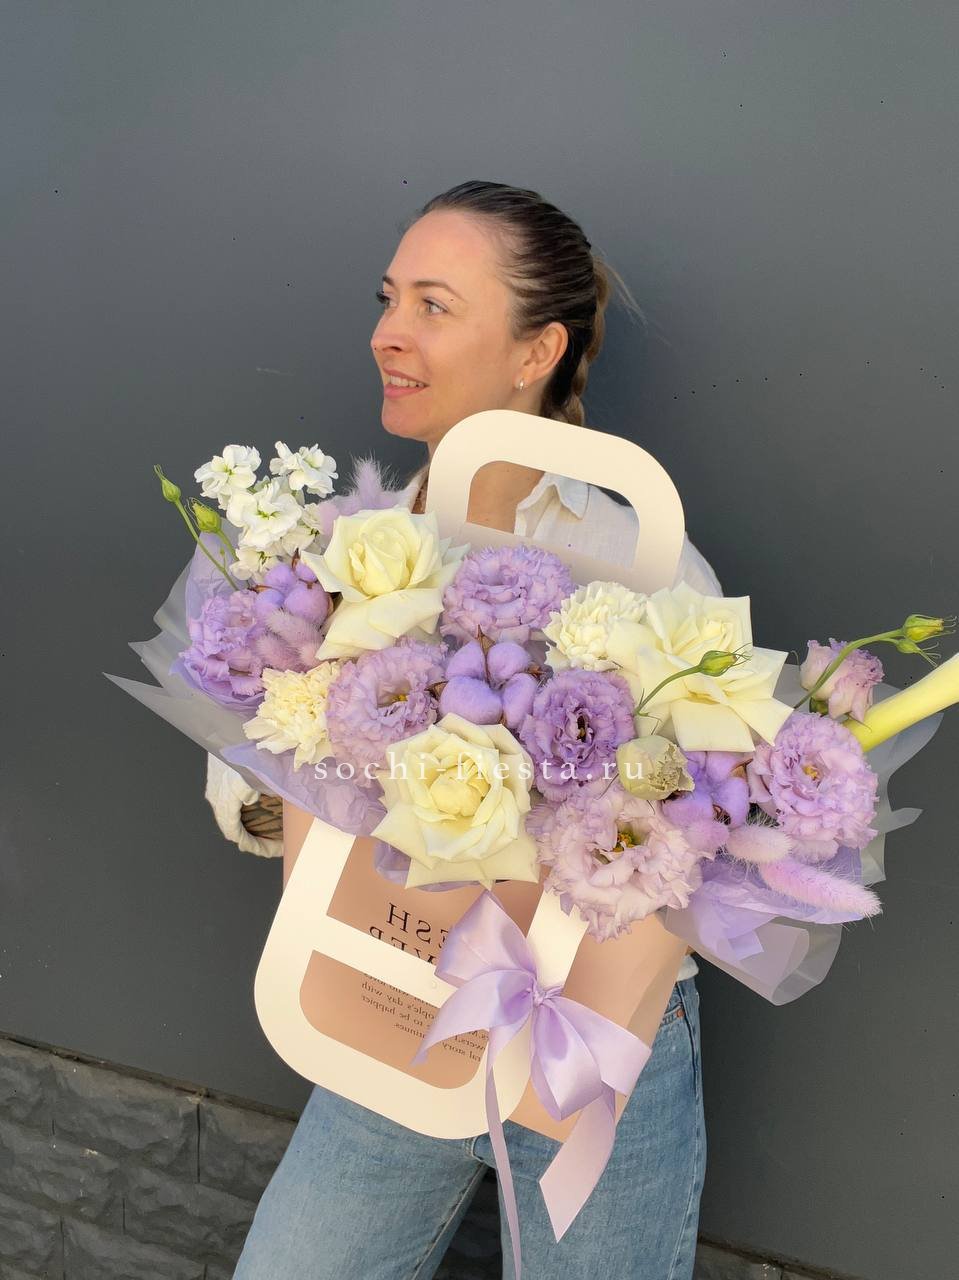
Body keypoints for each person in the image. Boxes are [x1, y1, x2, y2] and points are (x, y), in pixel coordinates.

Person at [229, 180, 719, 1279]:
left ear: (535, 349)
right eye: (387, 298)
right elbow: (254, 783)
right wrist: (302, 777)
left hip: (587, 1031)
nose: (387, 333)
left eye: (433, 305)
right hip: (394, 991)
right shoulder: (344, 547)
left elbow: (707, 832)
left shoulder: (642, 562)